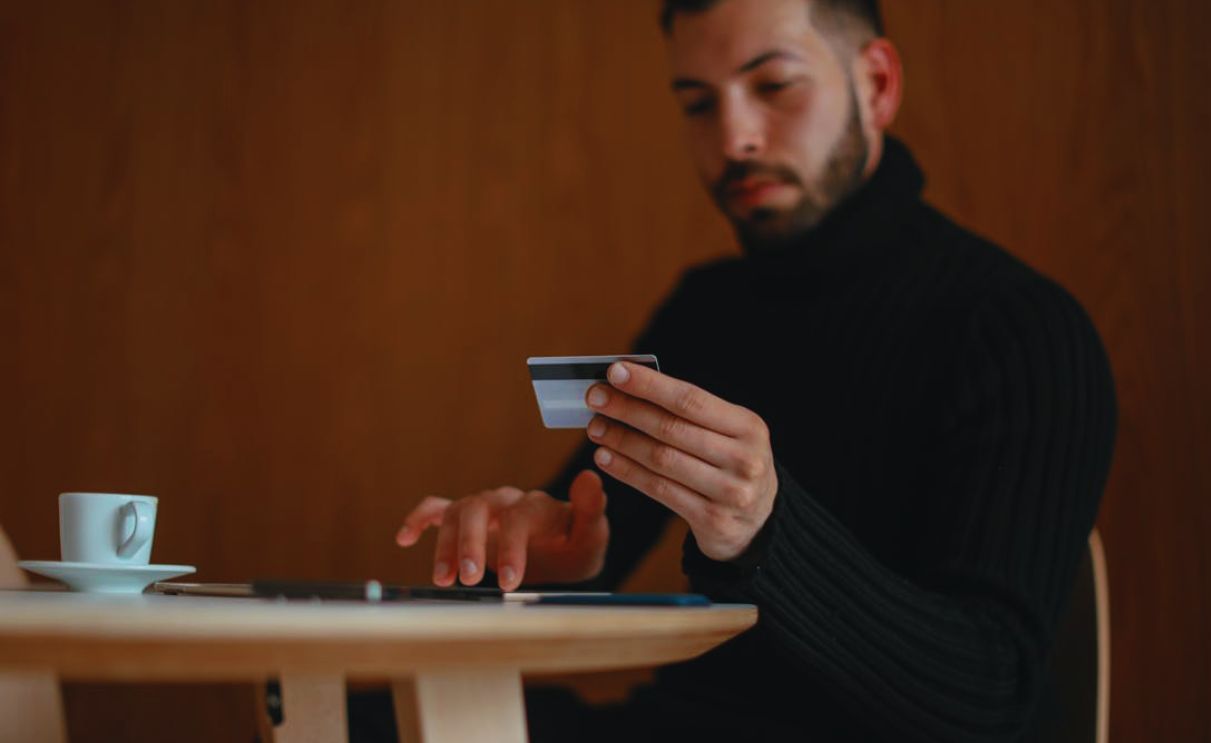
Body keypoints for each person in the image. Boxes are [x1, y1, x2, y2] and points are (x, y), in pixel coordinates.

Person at [363, 1, 1118, 741]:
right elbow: (589, 538)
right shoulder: (707, 311)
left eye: (773, 85)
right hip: (686, 719)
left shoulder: (1021, 330)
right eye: (697, 104)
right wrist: (549, 559)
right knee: (366, 717)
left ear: (877, 85)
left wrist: (766, 530)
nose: (734, 139)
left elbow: (991, 694)